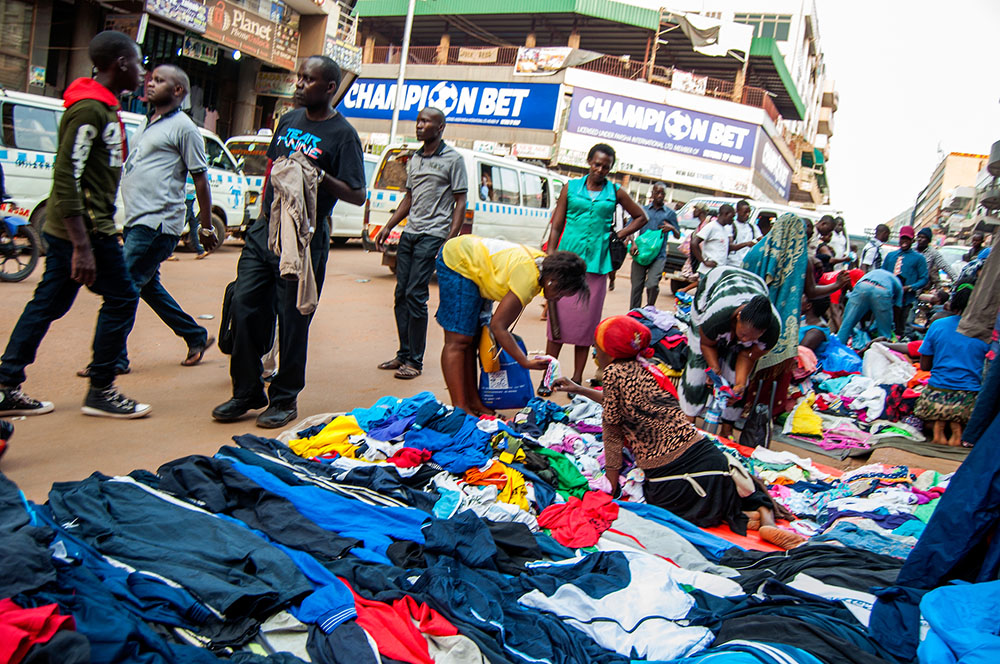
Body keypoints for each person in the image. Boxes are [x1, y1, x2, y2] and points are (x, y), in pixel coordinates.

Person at [0, 31, 151, 419]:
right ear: (119, 63)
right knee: (123, 297)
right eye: (137, 63)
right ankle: (102, 388)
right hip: (86, 230)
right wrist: (83, 246)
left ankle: (4, 384)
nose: (142, 71)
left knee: (49, 302)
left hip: (82, 228)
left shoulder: (102, 107)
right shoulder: (89, 110)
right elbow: (67, 177)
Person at [555, 315, 803, 549]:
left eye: (598, 347)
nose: (595, 352)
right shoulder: (648, 368)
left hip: (671, 474)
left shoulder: (612, 374)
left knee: (663, 505)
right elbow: (617, 400)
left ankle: (736, 515)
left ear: (611, 352)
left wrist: (610, 482)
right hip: (707, 455)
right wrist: (580, 389)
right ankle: (763, 517)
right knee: (738, 477)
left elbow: (612, 432)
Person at [212, 56, 366, 428]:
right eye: (299, 77)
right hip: (266, 229)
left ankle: (284, 398)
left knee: (294, 319)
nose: (299, 84)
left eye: (308, 79)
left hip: (304, 238)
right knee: (246, 305)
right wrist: (260, 222)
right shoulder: (288, 121)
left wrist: (317, 173)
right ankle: (246, 391)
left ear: (330, 88)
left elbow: (358, 194)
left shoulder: (343, 135)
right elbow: (273, 171)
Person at [77, 64, 217, 380]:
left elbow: (200, 179)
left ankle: (111, 358)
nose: (150, 84)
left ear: (178, 90)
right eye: (151, 79)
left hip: (157, 224)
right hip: (137, 219)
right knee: (145, 286)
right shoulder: (147, 123)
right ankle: (194, 335)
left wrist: (205, 226)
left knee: (119, 287)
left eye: (159, 80)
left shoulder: (184, 128)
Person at [435, 235, 588, 415]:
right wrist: (524, 362)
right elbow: (498, 326)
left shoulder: (543, 267)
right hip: (458, 260)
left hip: (475, 266)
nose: (557, 299)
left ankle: (473, 402)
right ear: (552, 281)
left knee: (472, 338)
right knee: (459, 340)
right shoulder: (528, 278)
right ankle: (460, 409)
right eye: (561, 293)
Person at [376, 107, 467, 380]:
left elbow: (460, 200)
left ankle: (415, 362)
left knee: (416, 295)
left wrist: (450, 238)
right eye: (418, 121)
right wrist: (389, 226)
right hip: (411, 233)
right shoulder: (414, 158)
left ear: (440, 128)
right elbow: (409, 197)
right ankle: (403, 354)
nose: (419, 125)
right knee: (401, 294)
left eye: (426, 122)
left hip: (434, 234)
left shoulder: (454, 159)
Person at [544, 143, 646, 384]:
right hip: (565, 265)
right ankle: (549, 377)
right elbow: (557, 224)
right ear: (589, 162)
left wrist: (618, 235)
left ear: (611, 168)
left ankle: (577, 379)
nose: (600, 170)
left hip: (596, 266)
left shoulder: (615, 191)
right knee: (555, 324)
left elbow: (642, 217)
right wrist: (550, 258)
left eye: (606, 167)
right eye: (597, 164)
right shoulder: (570, 188)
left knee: (586, 327)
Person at [742, 213, 849, 415]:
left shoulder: (756, 252)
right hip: (780, 321)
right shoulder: (801, 259)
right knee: (771, 364)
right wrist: (836, 285)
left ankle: (735, 404)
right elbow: (812, 291)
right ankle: (761, 409)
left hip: (749, 318)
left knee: (743, 358)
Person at [678, 267, 781, 439]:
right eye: (743, 335)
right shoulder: (716, 315)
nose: (745, 340)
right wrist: (715, 369)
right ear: (738, 317)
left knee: (736, 380)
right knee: (696, 369)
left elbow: (747, 355)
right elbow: (706, 344)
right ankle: (687, 422)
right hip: (715, 286)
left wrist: (740, 384)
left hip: (755, 285)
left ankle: (727, 428)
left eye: (753, 337)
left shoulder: (772, 329)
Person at [915, 287, 988, 446]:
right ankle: (956, 430)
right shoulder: (985, 331)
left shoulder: (938, 325)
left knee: (931, 411)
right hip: (968, 399)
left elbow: (925, 366)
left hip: (934, 398)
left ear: (952, 305)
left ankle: (939, 427)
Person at [628, 182, 678, 310]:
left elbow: (678, 235)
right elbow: (630, 229)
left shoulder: (670, 214)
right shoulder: (642, 210)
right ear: (652, 193)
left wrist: (672, 228)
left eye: (663, 193)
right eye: (657, 192)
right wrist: (633, 243)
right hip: (640, 254)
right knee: (636, 286)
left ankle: (650, 309)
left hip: (658, 256)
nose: (660, 195)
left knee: (652, 284)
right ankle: (634, 314)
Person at [835, 268, 903, 345]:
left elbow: (863, 311)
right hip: (882, 290)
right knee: (884, 332)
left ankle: (837, 349)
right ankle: (881, 351)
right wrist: (896, 326)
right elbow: (897, 308)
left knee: (846, 325)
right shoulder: (899, 285)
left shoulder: (878, 272)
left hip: (862, 285)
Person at [882, 225, 928, 336]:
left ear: (912, 240)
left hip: (907, 300)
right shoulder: (891, 256)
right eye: (903, 238)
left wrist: (910, 287)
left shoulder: (919, 258)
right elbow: (882, 274)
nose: (904, 241)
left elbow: (924, 279)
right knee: (885, 326)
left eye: (907, 239)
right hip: (888, 298)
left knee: (903, 328)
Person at [691, 203, 733, 276]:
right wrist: (704, 262)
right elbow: (694, 243)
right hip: (707, 271)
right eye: (732, 217)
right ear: (725, 214)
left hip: (718, 271)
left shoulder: (725, 229)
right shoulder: (712, 226)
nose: (732, 219)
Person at [727, 200, 761, 268]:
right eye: (745, 212)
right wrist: (747, 244)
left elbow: (761, 240)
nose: (747, 214)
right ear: (737, 211)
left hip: (746, 264)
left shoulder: (753, 227)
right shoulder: (730, 226)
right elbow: (730, 246)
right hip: (732, 264)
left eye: (749, 212)